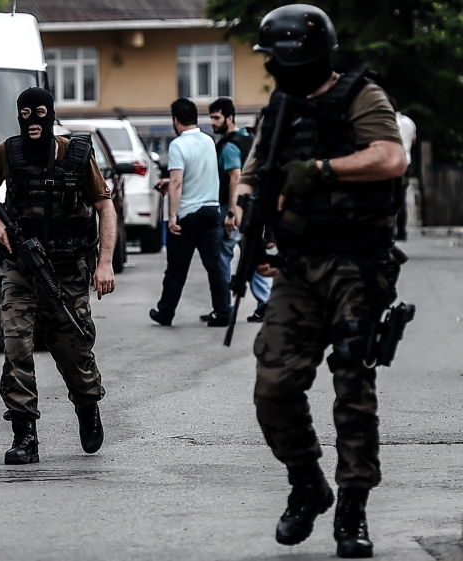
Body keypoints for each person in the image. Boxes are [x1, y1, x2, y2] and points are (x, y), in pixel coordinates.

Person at [234, 5, 407, 558]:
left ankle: (353, 509)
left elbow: (390, 157)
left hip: (357, 264)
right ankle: (307, 482)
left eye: (274, 59)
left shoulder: (361, 96)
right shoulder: (280, 109)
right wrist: (252, 222)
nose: (271, 69)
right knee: (274, 385)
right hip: (298, 267)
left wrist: (323, 170)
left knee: (353, 389)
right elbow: (252, 177)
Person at [0, 87, 117, 465]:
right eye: (25, 114)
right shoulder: (6, 153)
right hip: (18, 269)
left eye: (39, 113)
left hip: (67, 272)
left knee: (74, 350)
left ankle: (87, 404)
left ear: (50, 114)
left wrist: (105, 262)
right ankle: (25, 435)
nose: (32, 121)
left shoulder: (77, 155)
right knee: (16, 346)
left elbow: (105, 207)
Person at [149, 98, 231, 327]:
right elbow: (199, 174)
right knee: (215, 266)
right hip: (211, 211)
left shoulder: (177, 145)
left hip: (187, 215)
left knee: (176, 268)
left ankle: (165, 312)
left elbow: (177, 183)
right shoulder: (209, 142)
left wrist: (172, 216)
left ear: (176, 120)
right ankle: (223, 312)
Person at [208, 97, 272, 323]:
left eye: (216, 117)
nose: (213, 122)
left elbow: (235, 178)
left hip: (233, 208)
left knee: (223, 258)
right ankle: (265, 303)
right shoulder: (249, 139)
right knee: (252, 255)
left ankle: (224, 307)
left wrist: (231, 214)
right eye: (211, 117)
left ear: (230, 118)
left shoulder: (229, 146)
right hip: (254, 207)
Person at [395, 106, 416, 241]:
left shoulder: (387, 122)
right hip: (405, 163)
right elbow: (413, 140)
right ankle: (401, 231)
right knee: (401, 198)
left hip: (391, 163)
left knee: (388, 197)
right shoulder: (409, 122)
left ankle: (390, 230)